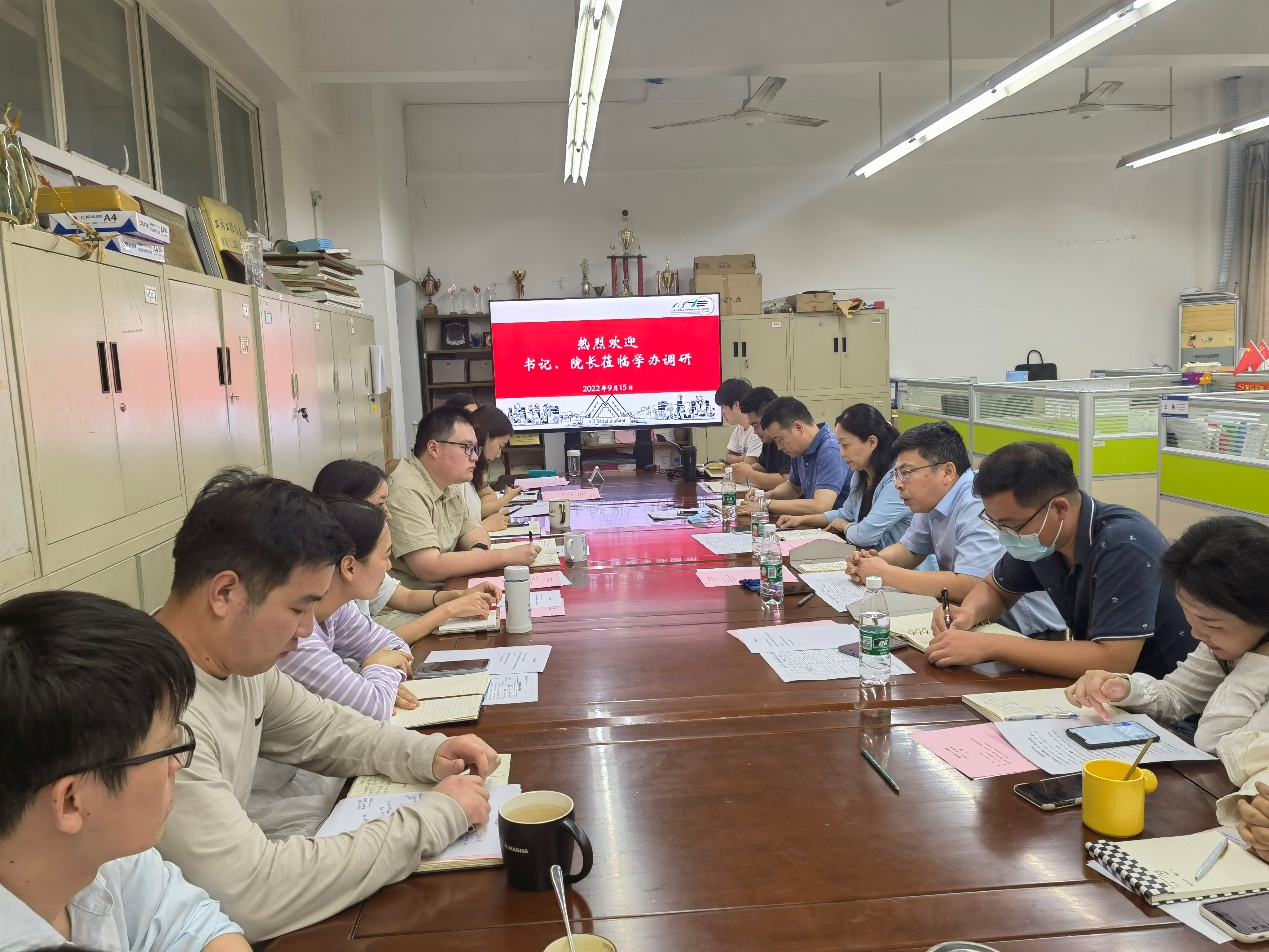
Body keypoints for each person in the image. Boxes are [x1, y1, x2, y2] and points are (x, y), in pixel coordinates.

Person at [154, 470, 500, 941]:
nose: (305, 633)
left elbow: (323, 729)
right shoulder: (158, 712)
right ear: (225, 593)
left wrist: (427, 753)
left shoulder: (237, 662)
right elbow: (252, 893)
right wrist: (437, 817)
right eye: (298, 609)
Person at [0, 590, 248, 951]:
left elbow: (198, 925)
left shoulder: (102, 853)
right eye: (165, 750)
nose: (176, 765)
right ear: (71, 801)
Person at [1065, 517, 1269, 854]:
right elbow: (1177, 695)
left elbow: (1216, 742)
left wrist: (1260, 663)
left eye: (1211, 623)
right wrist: (1122, 687)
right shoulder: (1230, 642)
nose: (1197, 634)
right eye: (1188, 613)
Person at [929, 441, 1197, 679]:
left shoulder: (1123, 545)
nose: (1006, 536)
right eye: (997, 524)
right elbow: (996, 590)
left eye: (1011, 526)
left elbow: (1114, 660)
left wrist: (991, 646)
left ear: (1059, 508)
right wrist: (968, 613)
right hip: (1100, 689)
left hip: (1162, 699)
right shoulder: (1044, 538)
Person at [277, 495, 499, 721]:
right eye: (385, 556)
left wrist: (378, 678)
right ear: (349, 567)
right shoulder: (294, 635)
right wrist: (375, 669)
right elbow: (374, 707)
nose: (389, 566)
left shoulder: (338, 609)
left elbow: (396, 646)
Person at [847, 422, 1066, 636]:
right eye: (896, 474)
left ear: (947, 472)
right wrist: (870, 562)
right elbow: (911, 549)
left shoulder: (976, 502)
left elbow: (970, 584)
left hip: (1028, 631)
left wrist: (885, 573)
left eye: (906, 472)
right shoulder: (930, 499)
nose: (898, 483)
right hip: (976, 621)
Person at [313, 460, 498, 637]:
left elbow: (405, 598)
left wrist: (459, 595)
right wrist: (449, 610)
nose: (388, 515)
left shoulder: (359, 559)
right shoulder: (331, 595)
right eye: (379, 505)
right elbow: (370, 647)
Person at [387, 406, 539, 586]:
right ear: (433, 448)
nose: (475, 457)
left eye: (475, 449)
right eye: (467, 447)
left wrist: (478, 554)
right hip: (421, 599)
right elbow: (430, 567)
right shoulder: (406, 490)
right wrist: (506, 557)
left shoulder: (449, 482)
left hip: (451, 588)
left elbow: (474, 531)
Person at [773, 404, 907, 547]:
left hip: (891, 560)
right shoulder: (861, 474)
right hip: (866, 555)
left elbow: (865, 536)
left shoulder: (896, 480)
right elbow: (844, 514)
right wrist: (802, 520)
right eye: (839, 444)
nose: (841, 452)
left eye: (845, 445)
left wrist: (845, 526)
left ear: (871, 442)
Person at [739, 397, 849, 519]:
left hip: (839, 527)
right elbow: (793, 488)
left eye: (779, 439)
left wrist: (765, 504)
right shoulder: (800, 450)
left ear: (798, 427)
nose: (779, 447)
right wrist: (767, 495)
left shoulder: (830, 449)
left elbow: (821, 506)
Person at [469, 404, 520, 530]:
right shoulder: (463, 469)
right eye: (500, 446)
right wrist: (507, 498)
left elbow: (487, 496)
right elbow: (476, 512)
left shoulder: (475, 468)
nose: (498, 454)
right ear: (487, 436)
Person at [728, 386, 789, 491]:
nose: (755, 432)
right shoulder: (768, 439)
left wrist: (750, 475)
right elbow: (763, 467)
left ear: (771, 416)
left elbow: (788, 482)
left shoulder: (788, 439)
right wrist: (744, 469)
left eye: (756, 425)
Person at [715, 378, 762, 466]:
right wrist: (743, 458)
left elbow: (749, 463)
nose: (722, 413)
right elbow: (728, 457)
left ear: (736, 404)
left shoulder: (757, 429)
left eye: (723, 407)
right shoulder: (739, 429)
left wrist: (742, 459)